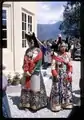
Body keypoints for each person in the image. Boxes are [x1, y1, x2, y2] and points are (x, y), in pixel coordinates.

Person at [19, 32, 47, 111]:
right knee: (26, 88)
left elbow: (39, 62)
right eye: (27, 41)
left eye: (28, 41)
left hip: (35, 72)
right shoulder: (27, 50)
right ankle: (26, 104)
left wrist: (32, 71)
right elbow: (25, 61)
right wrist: (25, 70)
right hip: (27, 72)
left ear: (32, 41)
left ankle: (36, 105)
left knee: (35, 88)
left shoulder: (38, 50)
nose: (28, 43)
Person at [49, 42, 73, 112]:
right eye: (62, 46)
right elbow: (53, 66)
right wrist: (55, 74)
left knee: (66, 89)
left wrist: (70, 72)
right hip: (58, 75)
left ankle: (66, 104)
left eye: (64, 46)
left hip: (66, 75)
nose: (63, 48)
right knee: (57, 90)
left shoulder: (68, 54)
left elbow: (70, 65)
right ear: (59, 47)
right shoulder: (56, 55)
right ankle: (56, 105)